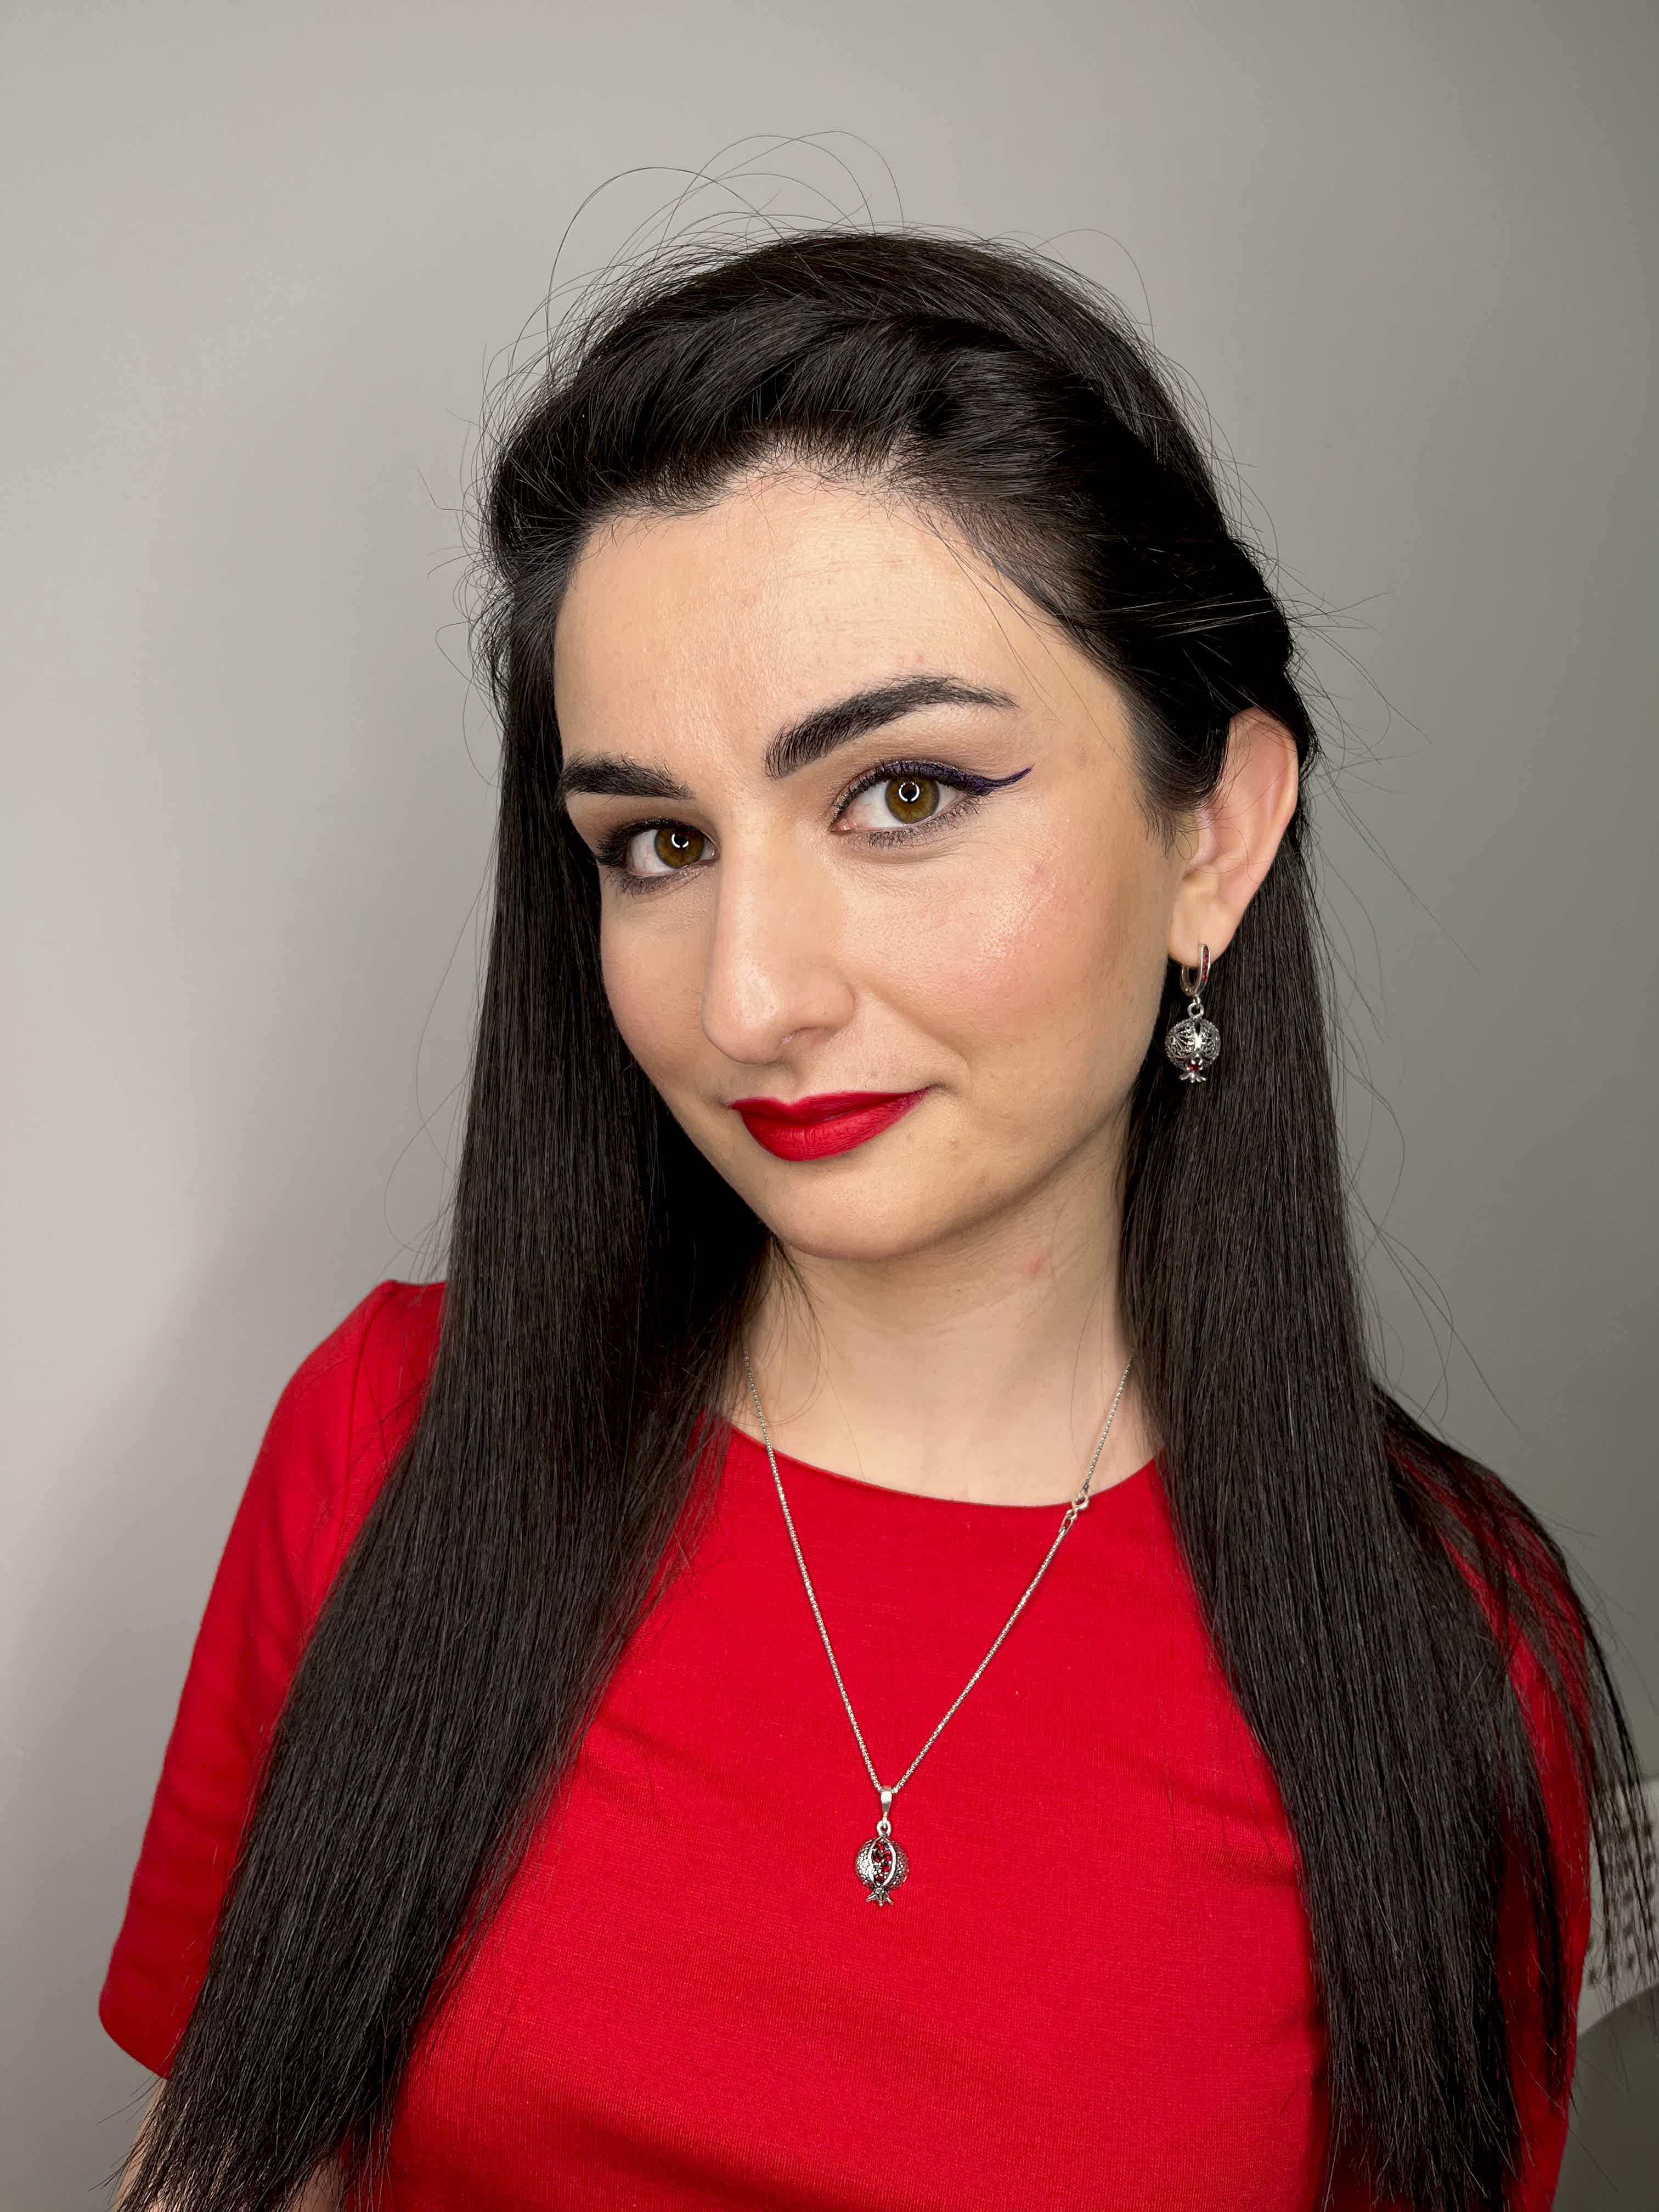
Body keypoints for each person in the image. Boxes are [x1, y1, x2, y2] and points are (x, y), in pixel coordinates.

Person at [103, 225, 1655, 2212]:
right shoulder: (391, 1439)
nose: (749, 997)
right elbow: (219, 2168)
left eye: (902, 796)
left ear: (1216, 831)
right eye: (657, 844)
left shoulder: (1450, 1645)